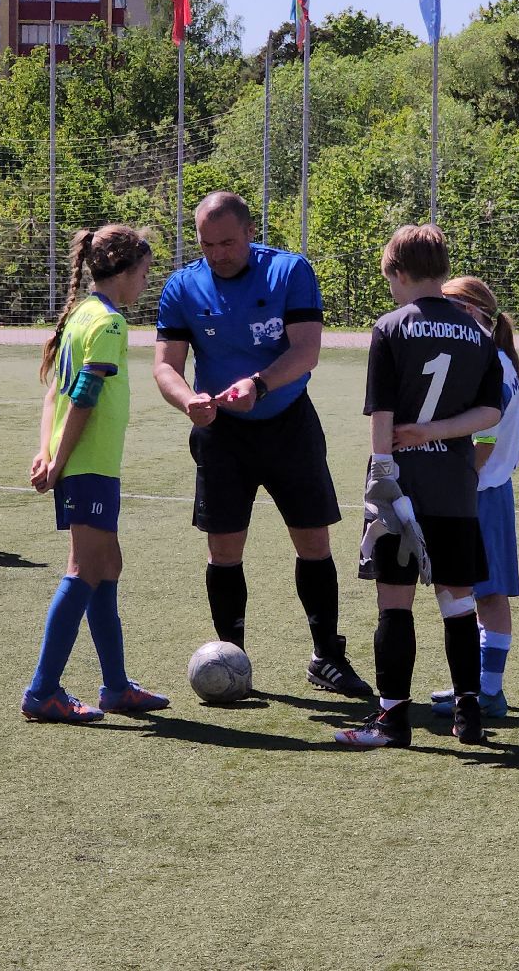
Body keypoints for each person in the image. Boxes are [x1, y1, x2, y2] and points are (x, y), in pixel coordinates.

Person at [152, 190, 370, 696]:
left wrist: (261, 385)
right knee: (224, 549)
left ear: (250, 232)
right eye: (208, 244)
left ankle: (327, 658)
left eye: (227, 242)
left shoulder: (289, 272)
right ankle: (232, 659)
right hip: (221, 435)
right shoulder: (183, 286)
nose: (218, 254)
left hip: (288, 423)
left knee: (313, 541)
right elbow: (166, 365)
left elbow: (307, 350)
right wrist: (188, 401)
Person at [335, 225, 503, 749]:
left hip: (400, 484)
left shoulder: (390, 327)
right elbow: (491, 412)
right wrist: (435, 432)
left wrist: (384, 467)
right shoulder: (478, 332)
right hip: (454, 484)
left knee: (395, 603)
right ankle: (469, 714)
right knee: (457, 603)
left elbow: (381, 410)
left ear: (399, 273)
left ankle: (391, 720)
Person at [22, 225, 170, 723]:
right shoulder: (107, 323)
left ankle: (115, 686)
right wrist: (59, 461)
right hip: (86, 465)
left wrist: (46, 452)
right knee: (84, 571)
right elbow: (82, 397)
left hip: (83, 464)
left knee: (108, 568)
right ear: (124, 272)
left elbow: (51, 395)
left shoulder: (80, 314)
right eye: (144, 274)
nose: (145, 284)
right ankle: (42, 692)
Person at [429, 276, 519, 720]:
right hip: (482, 489)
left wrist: (457, 480)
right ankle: (473, 683)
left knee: (484, 595)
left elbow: (485, 437)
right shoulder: (492, 356)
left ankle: (488, 691)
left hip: (479, 493)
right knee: (473, 593)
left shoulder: (490, 362)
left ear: (470, 313)